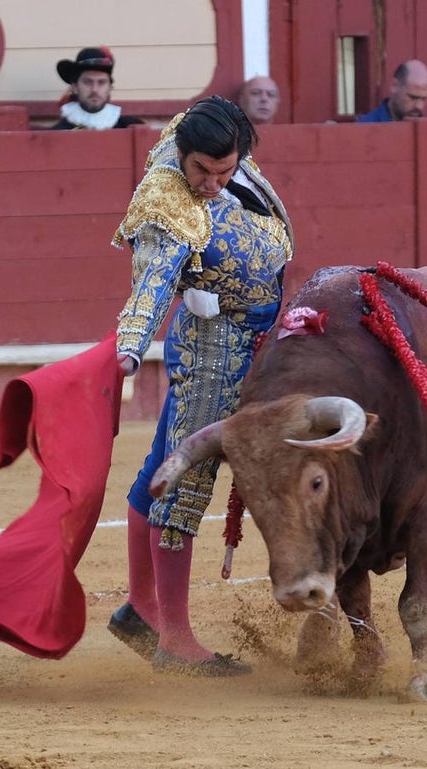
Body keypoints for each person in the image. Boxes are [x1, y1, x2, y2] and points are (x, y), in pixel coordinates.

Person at [107, 95, 293, 675]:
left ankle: (141, 609)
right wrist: (131, 347)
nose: (212, 184)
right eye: (201, 172)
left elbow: (211, 113)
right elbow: (153, 282)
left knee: (160, 469)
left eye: (224, 170)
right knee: (182, 481)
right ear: (181, 159)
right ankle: (176, 642)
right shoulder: (167, 201)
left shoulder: (211, 139)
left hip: (255, 331)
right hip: (215, 345)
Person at [50, 47, 143, 130]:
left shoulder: (129, 127)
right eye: (87, 82)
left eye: (101, 82)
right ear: (75, 87)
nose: (94, 89)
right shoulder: (57, 132)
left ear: (110, 88)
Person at [355, 59, 427, 122]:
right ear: (394, 85)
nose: (419, 106)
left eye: (424, 99)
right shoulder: (365, 126)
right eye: (412, 98)